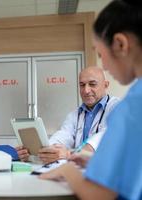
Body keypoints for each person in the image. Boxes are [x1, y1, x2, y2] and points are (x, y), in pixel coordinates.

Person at [40, 0, 142, 199]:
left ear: (120, 44)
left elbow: (98, 195)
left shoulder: (131, 106)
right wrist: (94, 162)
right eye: (82, 85)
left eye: (100, 54)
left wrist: (67, 170)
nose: (104, 65)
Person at [16, 66, 119, 163]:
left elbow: (105, 137)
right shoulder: (75, 115)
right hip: (80, 172)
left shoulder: (117, 107)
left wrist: (69, 154)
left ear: (106, 85)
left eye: (92, 84)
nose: (86, 90)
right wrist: (43, 151)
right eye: (82, 85)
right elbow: (63, 135)